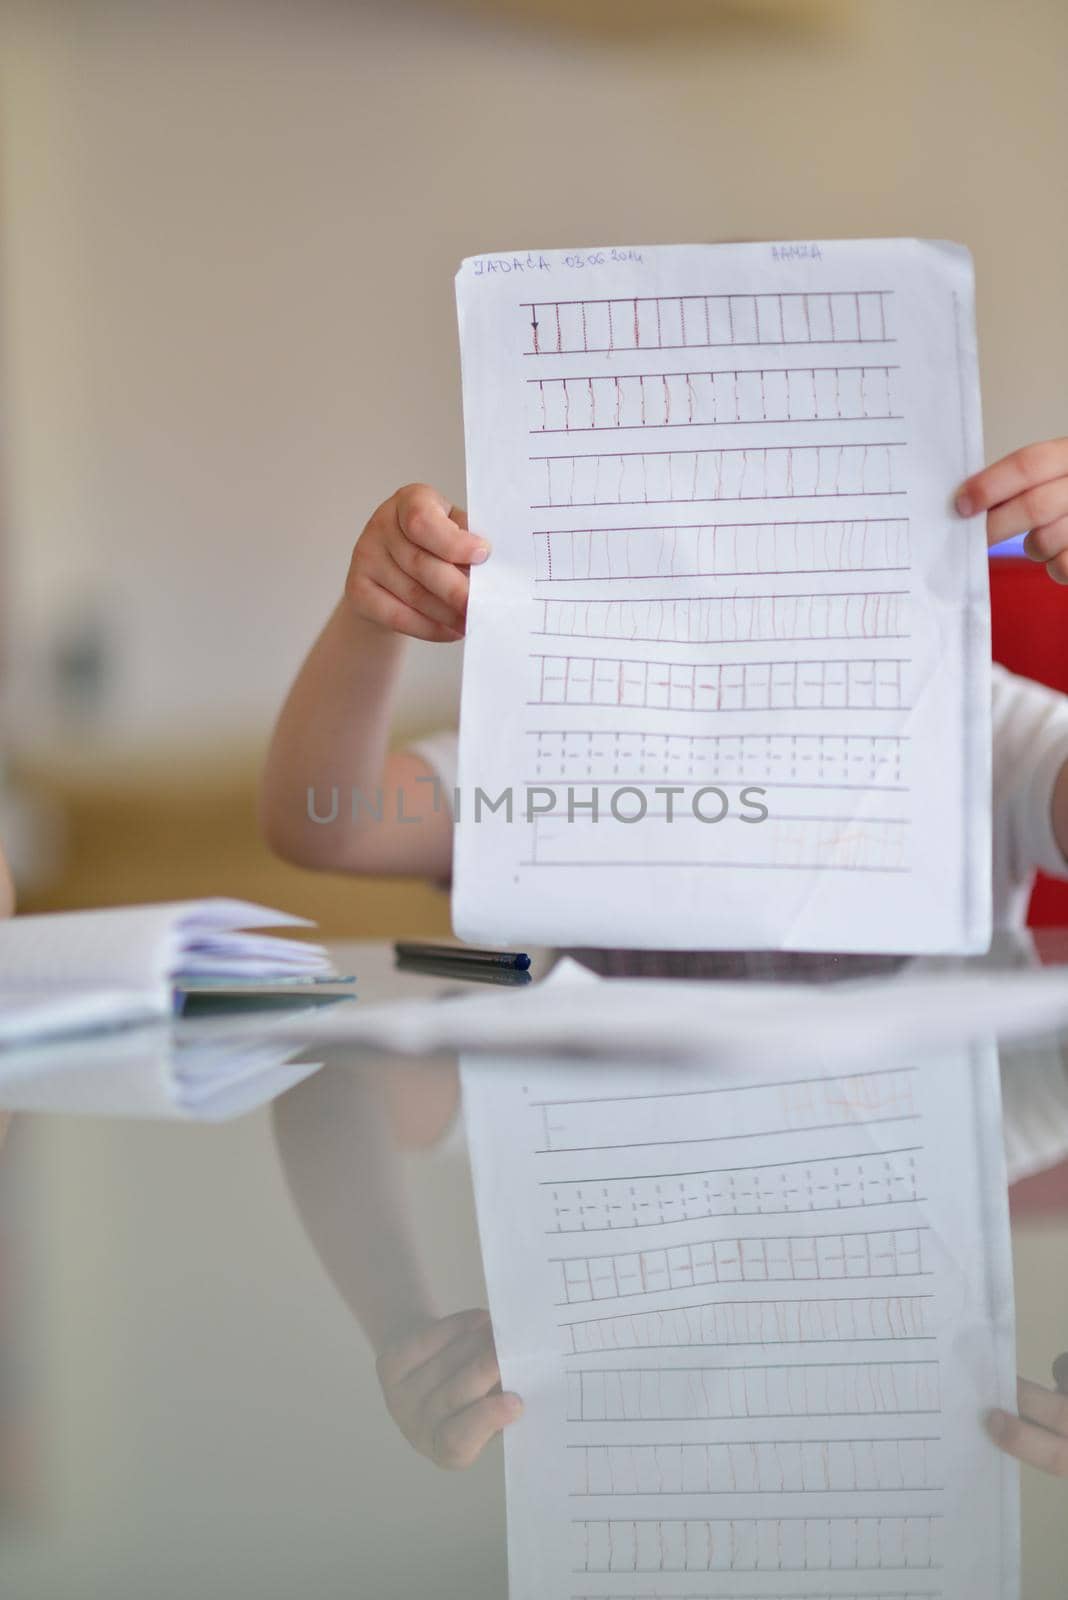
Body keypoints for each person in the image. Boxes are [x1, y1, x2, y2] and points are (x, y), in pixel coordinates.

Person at [261, 436, 1068, 1476]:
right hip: (602, 1132)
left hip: (916, 1136)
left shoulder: (977, 729)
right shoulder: (574, 746)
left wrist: (404, 1325)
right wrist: (374, 624)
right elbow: (327, 825)